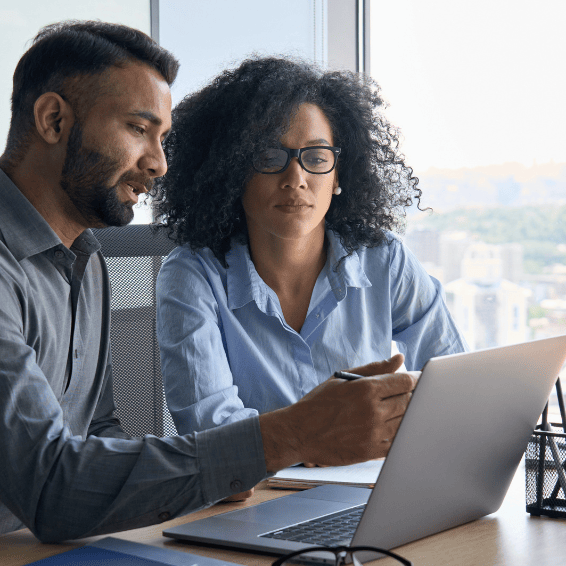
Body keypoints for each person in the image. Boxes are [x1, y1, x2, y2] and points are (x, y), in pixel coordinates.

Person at [0, 22, 415, 566]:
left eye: (163, 137)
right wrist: (288, 435)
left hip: (49, 550)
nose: (159, 164)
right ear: (53, 121)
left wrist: (219, 467)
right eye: (137, 130)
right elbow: (53, 490)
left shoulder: (84, 261)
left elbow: (97, 434)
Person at [152, 57, 465, 447]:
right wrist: (321, 438)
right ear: (232, 171)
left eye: (316, 158)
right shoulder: (192, 275)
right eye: (269, 157)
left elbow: (454, 385)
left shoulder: (384, 259)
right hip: (257, 497)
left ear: (338, 176)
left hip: (369, 487)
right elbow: (213, 436)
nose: (295, 179)